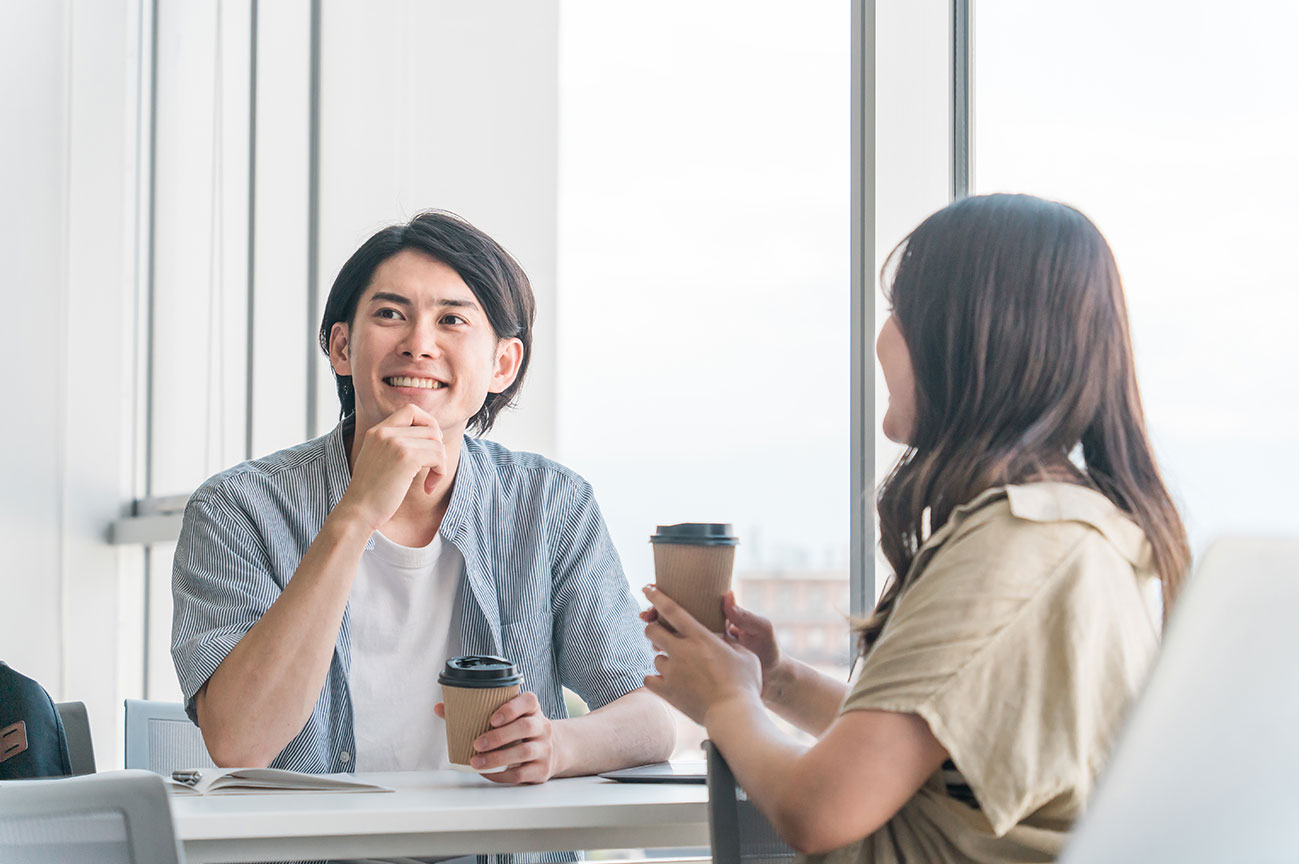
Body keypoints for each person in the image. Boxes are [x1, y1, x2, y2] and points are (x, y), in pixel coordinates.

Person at [641, 193, 1190, 863]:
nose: (882, 340)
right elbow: (931, 754)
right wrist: (776, 680)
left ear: (960, 338)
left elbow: (817, 810)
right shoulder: (1086, 529)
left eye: (899, 312)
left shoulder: (1015, 543)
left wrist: (725, 702)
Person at [172, 210, 674, 784]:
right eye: (390, 314)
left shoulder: (550, 504)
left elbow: (655, 715)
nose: (418, 345)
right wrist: (356, 513)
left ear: (502, 364)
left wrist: (558, 746)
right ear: (340, 347)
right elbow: (240, 741)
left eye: (452, 320)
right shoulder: (236, 509)